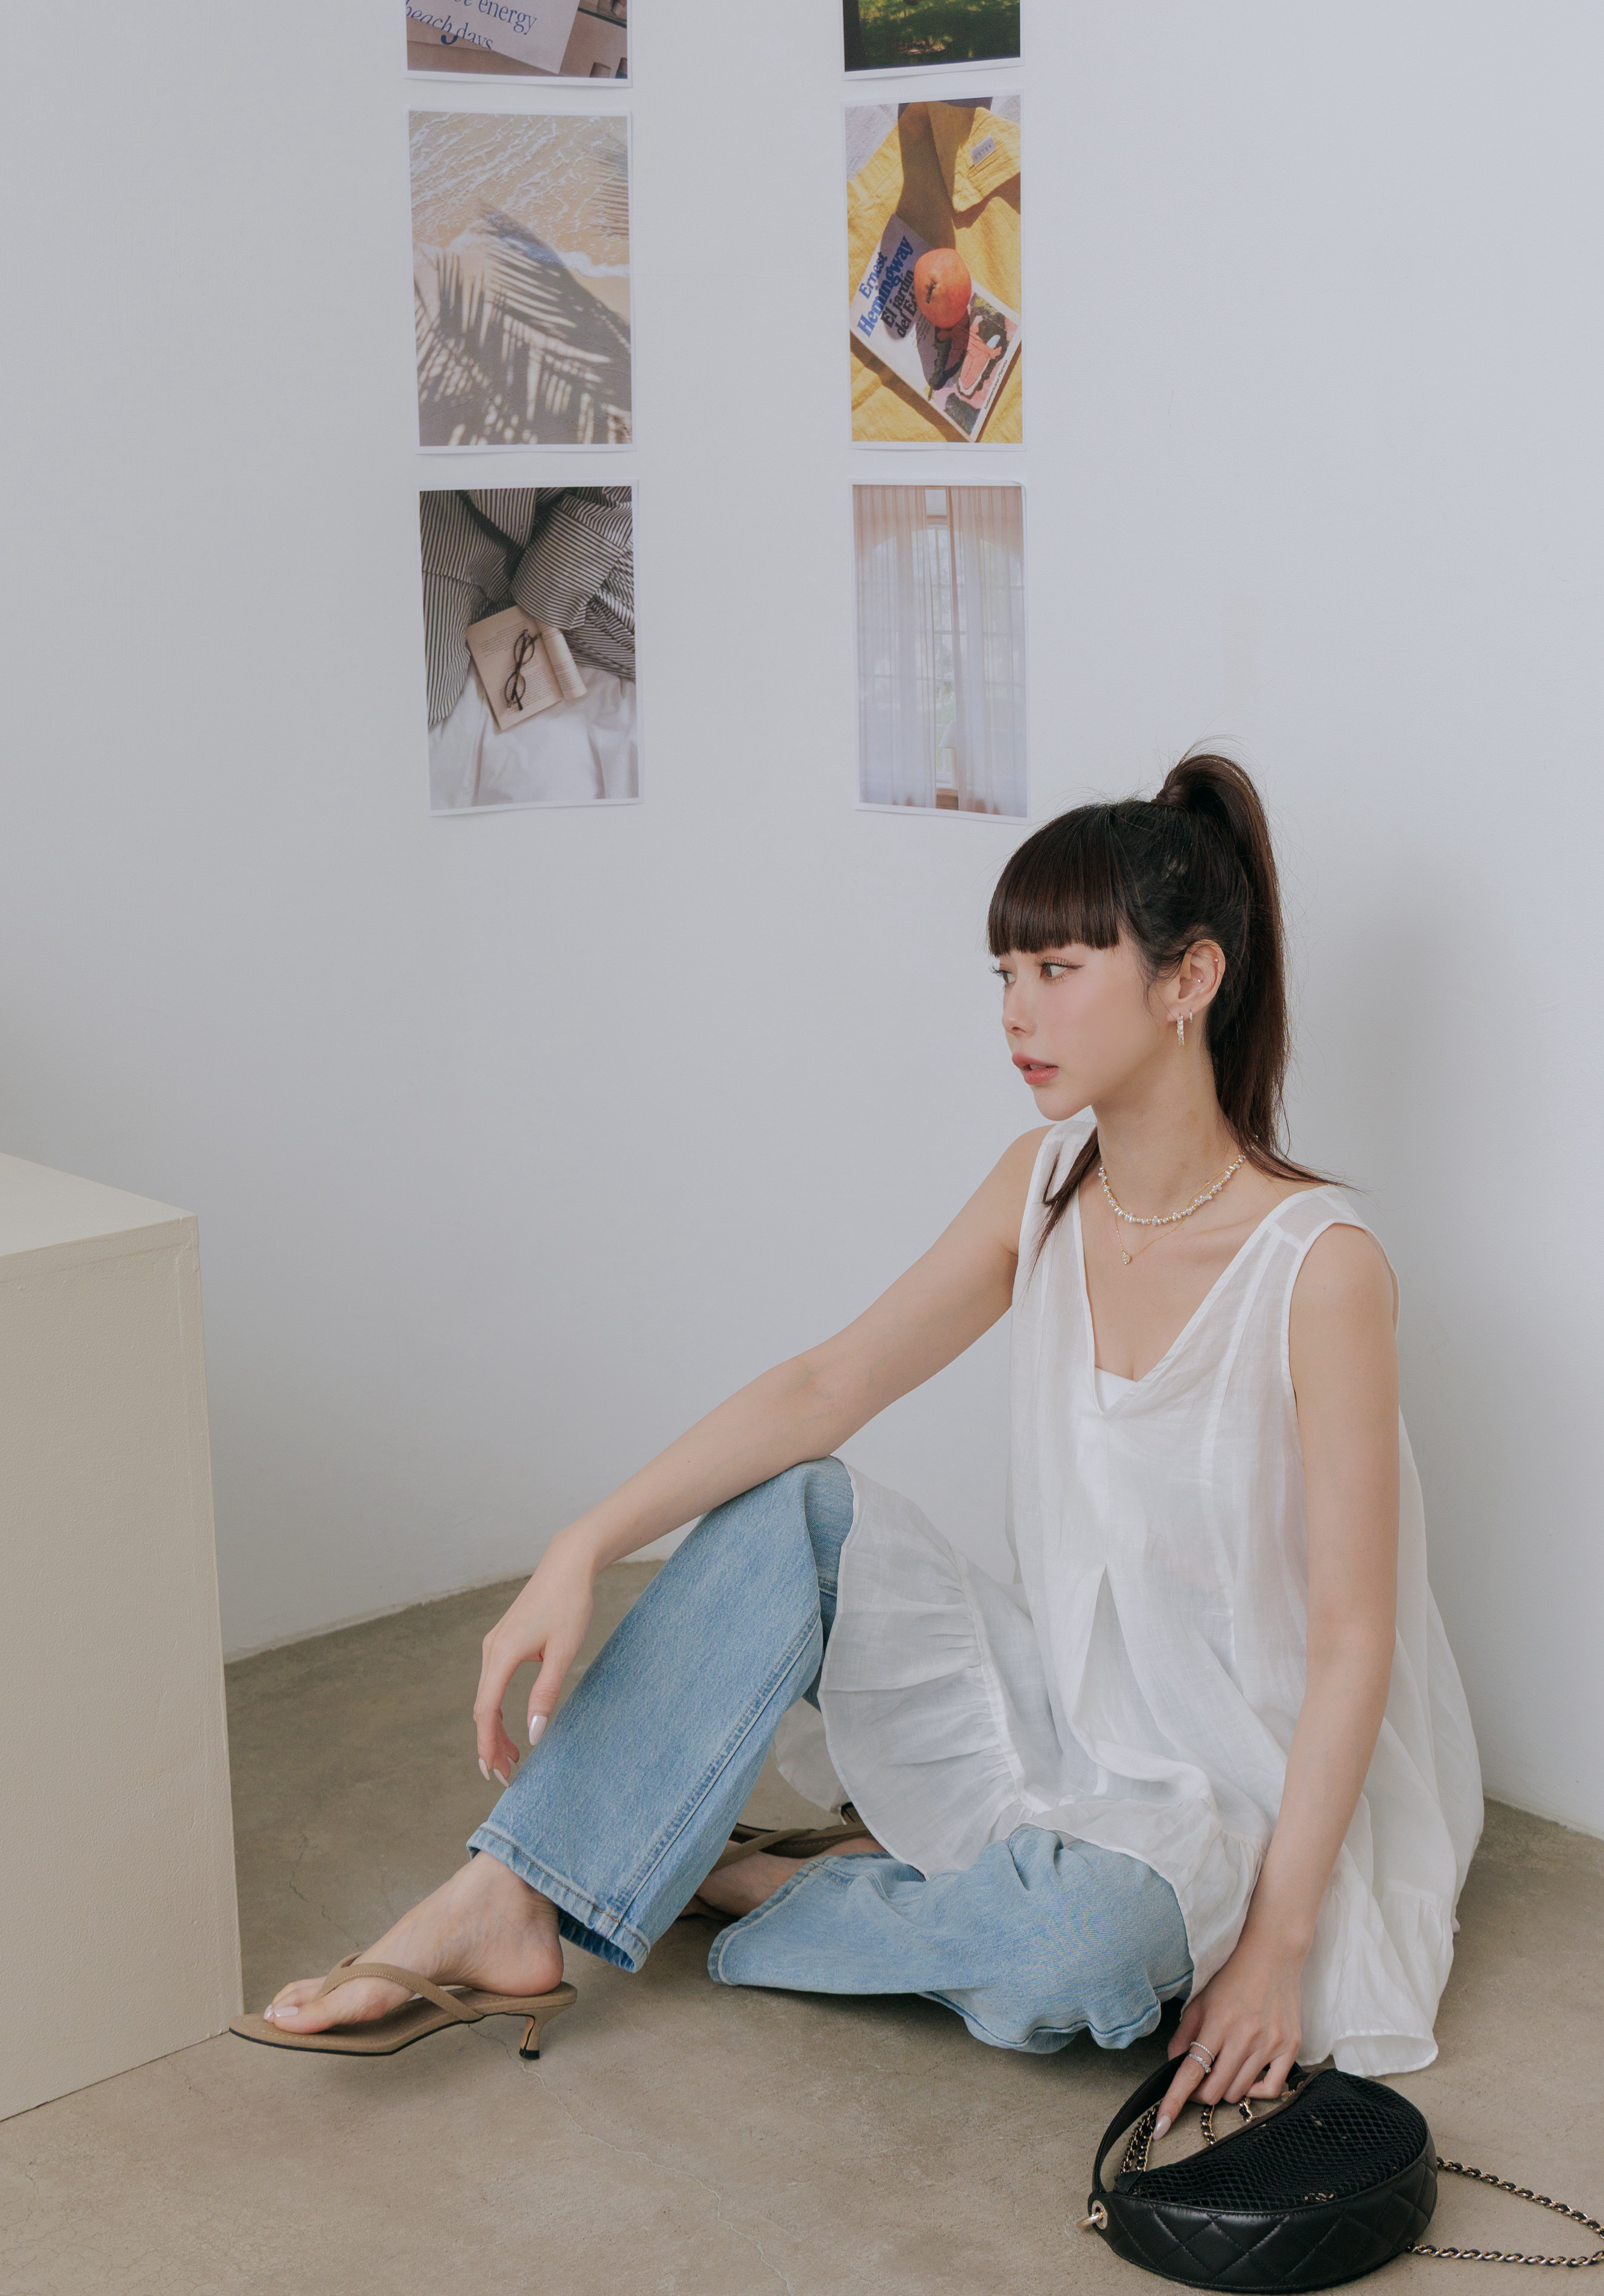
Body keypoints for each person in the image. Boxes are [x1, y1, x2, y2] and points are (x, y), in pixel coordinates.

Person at [236, 753, 1481, 2120]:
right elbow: (826, 1384)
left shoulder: (1317, 1267)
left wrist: (1280, 1944)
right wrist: (579, 1543)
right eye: (1003, 973)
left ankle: (759, 1879)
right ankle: (509, 1895)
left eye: (1056, 969)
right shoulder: (1042, 1186)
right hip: (1067, 1712)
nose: (1015, 1012)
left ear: (1188, 980)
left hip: (1238, 1798)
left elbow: (1352, 1638)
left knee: (1082, 1947)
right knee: (796, 1506)